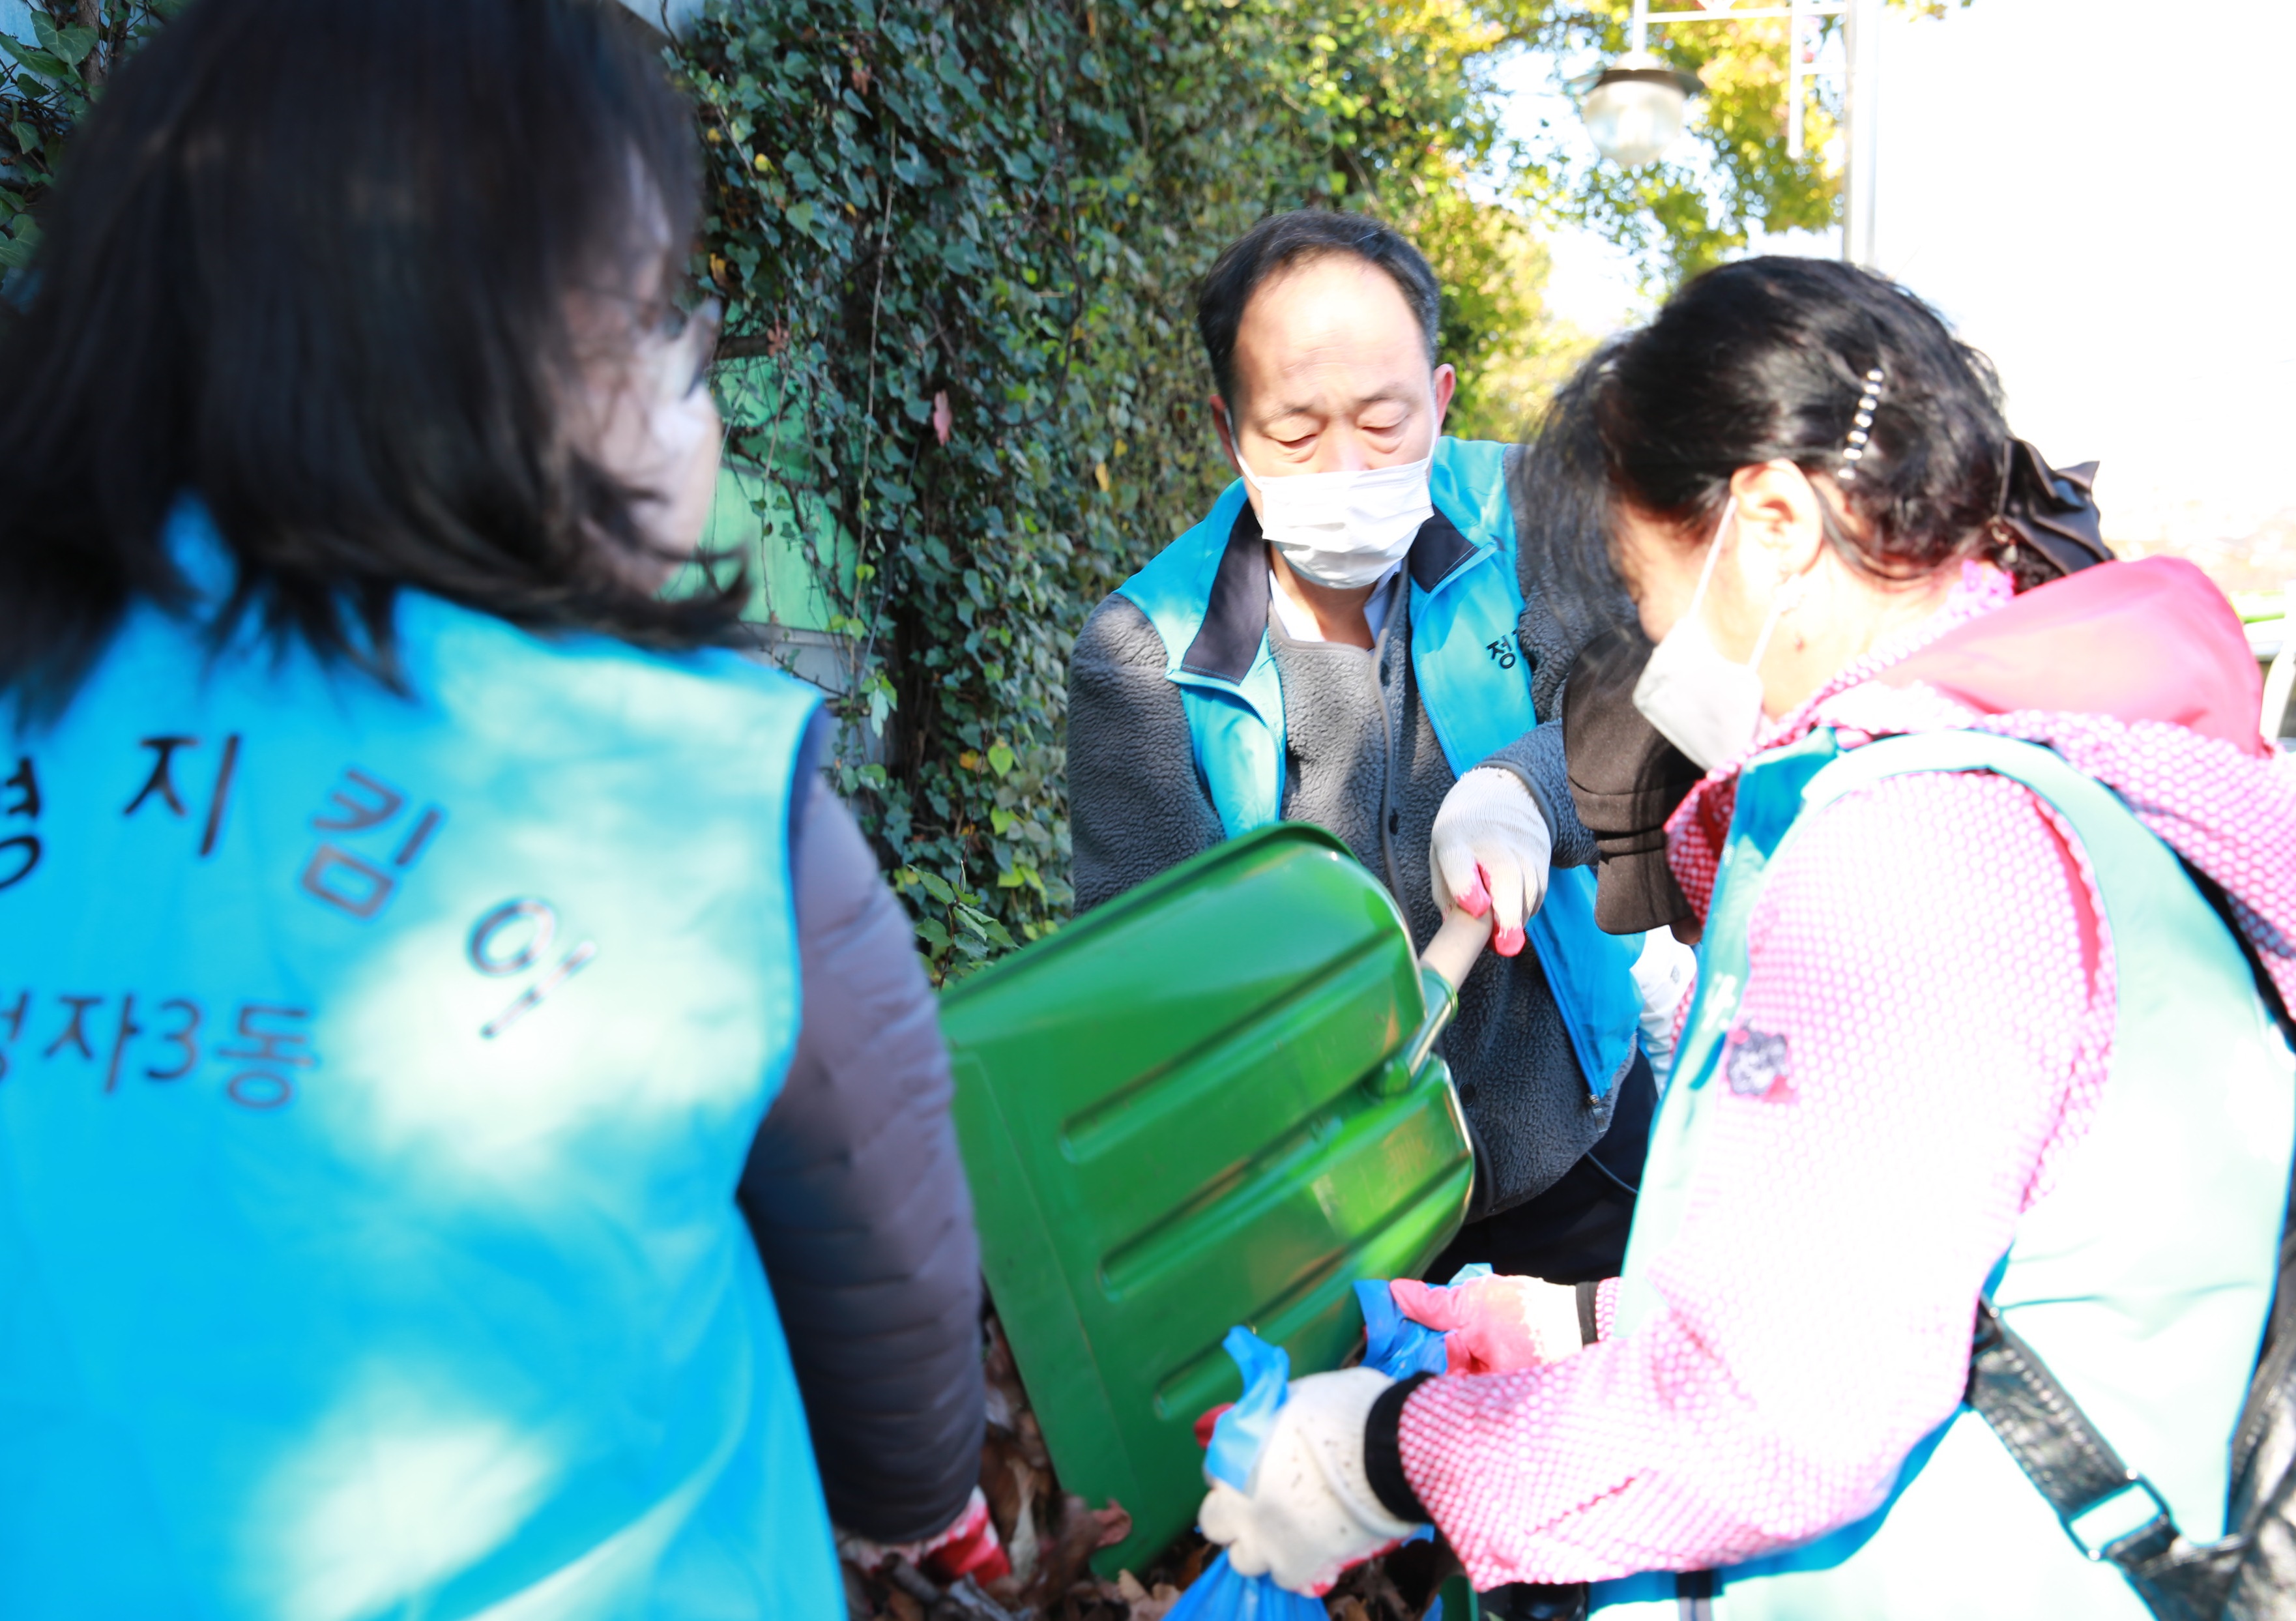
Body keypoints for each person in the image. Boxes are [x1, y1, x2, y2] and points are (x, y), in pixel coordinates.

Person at [0, 3, 989, 1615]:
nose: (694, 380)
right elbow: (882, 1238)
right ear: (487, 366)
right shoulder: (697, 779)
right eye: (659, 314)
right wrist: (910, 1483)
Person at [1187, 257, 2296, 1617]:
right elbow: (1924, 1272)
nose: (1656, 652)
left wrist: (1374, 1455)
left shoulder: (1920, 853)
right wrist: (1577, 1323)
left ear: (1769, 524)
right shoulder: (2064, 773)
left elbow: (1767, 1419)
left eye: (1650, 591)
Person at [1068, 211, 1653, 1283]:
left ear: (1439, 400)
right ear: (1228, 428)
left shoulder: (1532, 516)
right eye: (1296, 432)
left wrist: (1521, 792)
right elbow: (1143, 987)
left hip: (1574, 1150)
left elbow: (1640, 717)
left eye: (1384, 424)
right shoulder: (1142, 655)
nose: (1344, 465)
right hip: (1325, 1212)